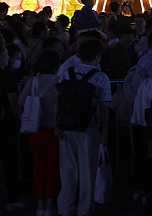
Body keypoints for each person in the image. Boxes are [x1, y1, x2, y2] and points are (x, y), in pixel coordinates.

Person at [57, 38, 111, 216]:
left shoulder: (68, 72)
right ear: (97, 56)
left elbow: (61, 101)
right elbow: (104, 108)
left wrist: (58, 124)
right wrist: (105, 133)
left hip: (67, 127)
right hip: (89, 128)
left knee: (68, 170)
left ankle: (65, 207)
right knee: (88, 172)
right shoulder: (101, 77)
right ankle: (84, 209)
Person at [19, 49, 62, 216]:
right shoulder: (60, 81)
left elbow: (22, 100)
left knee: (39, 168)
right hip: (55, 131)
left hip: (35, 130)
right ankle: (51, 205)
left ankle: (40, 205)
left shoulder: (34, 81)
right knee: (53, 169)